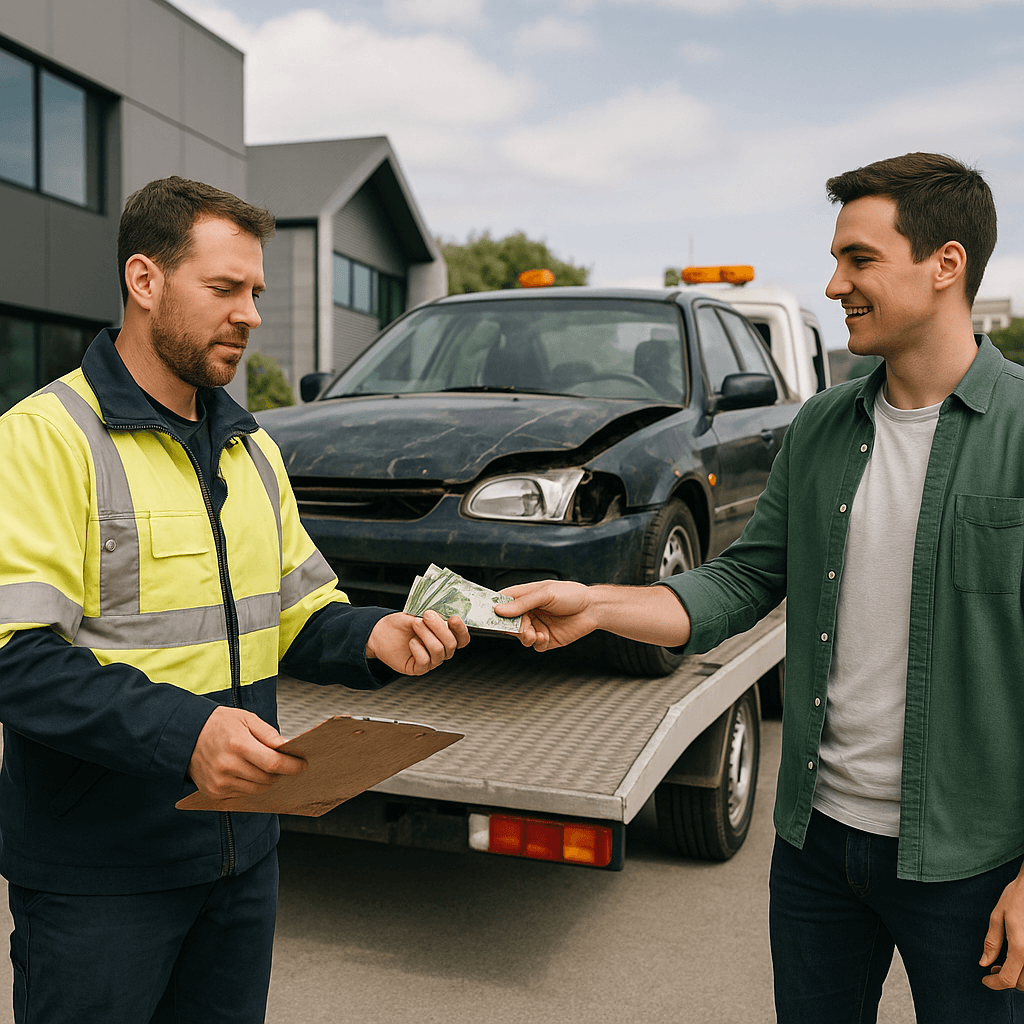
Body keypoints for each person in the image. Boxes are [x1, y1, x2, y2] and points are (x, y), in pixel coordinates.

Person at [497, 152, 1024, 1023]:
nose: (833, 284)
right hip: (818, 846)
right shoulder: (822, 426)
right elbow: (742, 580)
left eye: (859, 259)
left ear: (946, 265)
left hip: (972, 865)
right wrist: (596, 607)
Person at [0, 176, 469, 1024]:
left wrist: (377, 638)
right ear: (145, 282)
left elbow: (298, 612)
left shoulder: (253, 451)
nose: (251, 314)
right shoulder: (41, 439)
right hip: (102, 878)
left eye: (254, 291)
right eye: (225, 289)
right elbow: (19, 663)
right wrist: (189, 735)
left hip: (243, 857)